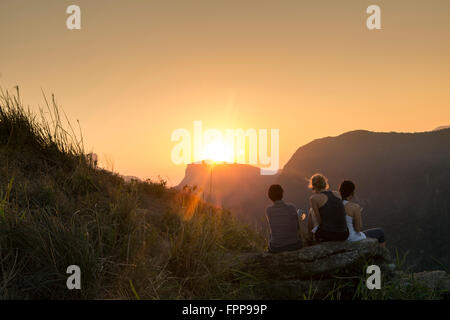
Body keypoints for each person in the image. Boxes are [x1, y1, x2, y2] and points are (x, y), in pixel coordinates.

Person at [339, 180, 386, 247]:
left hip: (339, 238)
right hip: (352, 239)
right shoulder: (355, 207)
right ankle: (381, 256)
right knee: (381, 232)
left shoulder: (335, 205)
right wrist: (358, 215)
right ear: (352, 193)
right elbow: (358, 229)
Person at [308, 174, 349, 242]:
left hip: (329, 235)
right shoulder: (337, 194)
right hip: (344, 233)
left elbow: (319, 221)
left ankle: (310, 239)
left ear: (313, 186)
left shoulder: (314, 198)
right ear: (325, 183)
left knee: (311, 211)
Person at [265, 184, 303, 253]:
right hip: (294, 245)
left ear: (270, 196)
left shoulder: (269, 210)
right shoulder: (292, 207)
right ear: (282, 193)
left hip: (276, 247)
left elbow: (272, 229)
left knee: (271, 237)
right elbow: (297, 228)